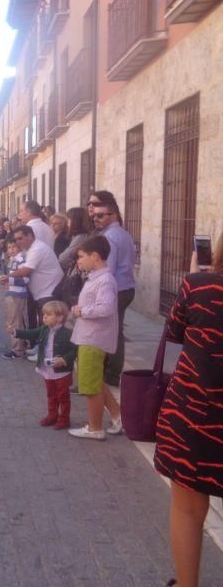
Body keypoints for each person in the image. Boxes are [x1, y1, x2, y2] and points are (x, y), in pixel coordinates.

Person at [154, 232, 223, 587]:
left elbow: (176, 332)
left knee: (187, 508)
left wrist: (197, 275)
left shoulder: (200, 287)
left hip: (197, 414)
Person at [67, 236, 122, 441]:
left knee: (90, 386)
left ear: (95, 256)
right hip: (90, 336)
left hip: (93, 339)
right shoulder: (97, 277)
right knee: (96, 381)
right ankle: (117, 416)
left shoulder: (105, 280)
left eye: (81, 257)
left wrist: (82, 311)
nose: (78, 261)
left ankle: (95, 427)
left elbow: (105, 308)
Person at [87, 191, 136, 391]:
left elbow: (108, 269)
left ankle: (112, 376)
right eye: (93, 215)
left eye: (100, 215)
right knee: (114, 331)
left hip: (117, 289)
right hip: (124, 288)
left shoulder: (112, 237)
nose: (95, 218)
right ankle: (110, 374)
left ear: (112, 214)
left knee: (113, 333)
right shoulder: (120, 233)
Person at [9, 300, 75, 429]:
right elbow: (31, 333)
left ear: (60, 318)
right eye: (44, 314)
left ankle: (64, 419)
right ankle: (52, 416)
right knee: (51, 394)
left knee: (63, 396)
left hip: (62, 371)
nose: (44, 317)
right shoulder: (44, 329)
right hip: (48, 370)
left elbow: (75, 349)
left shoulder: (68, 333)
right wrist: (15, 332)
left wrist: (64, 359)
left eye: (48, 315)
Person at [0, 237, 30, 360]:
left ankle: (17, 350)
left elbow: (26, 279)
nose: (11, 250)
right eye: (9, 247)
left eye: (14, 247)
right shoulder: (13, 260)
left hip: (17, 294)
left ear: (19, 247)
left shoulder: (21, 260)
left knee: (15, 322)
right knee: (16, 321)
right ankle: (21, 346)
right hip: (12, 293)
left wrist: (8, 280)